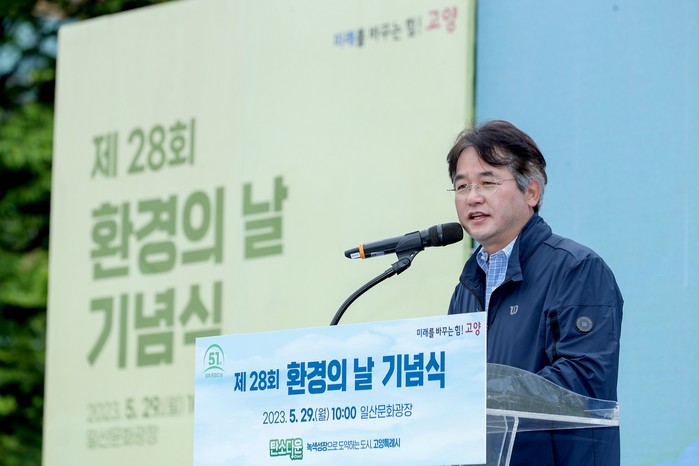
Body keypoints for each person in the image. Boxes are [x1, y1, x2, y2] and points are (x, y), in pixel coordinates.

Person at [446, 120, 623, 466]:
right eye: (462, 186)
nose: (472, 197)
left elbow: (584, 380)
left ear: (531, 192)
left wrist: (483, 391)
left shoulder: (577, 269)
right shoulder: (466, 288)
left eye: (488, 182)